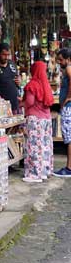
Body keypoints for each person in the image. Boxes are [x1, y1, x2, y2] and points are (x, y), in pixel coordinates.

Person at [22, 61, 54, 183]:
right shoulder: (46, 85)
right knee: (45, 146)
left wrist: (21, 103)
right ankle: (44, 171)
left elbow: (29, 102)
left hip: (35, 120)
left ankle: (34, 174)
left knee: (34, 146)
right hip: (46, 120)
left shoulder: (32, 85)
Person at [54, 49, 71, 177]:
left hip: (68, 108)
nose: (59, 62)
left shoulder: (69, 68)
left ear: (67, 59)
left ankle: (69, 168)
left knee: (69, 138)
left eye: (60, 59)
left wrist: (68, 98)